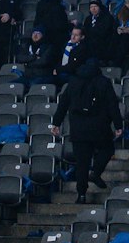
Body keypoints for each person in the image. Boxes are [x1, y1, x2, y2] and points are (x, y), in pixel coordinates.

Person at [51, 59, 122, 203]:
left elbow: (63, 103)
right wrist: (118, 124)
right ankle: (96, 173)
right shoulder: (104, 82)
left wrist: (56, 123)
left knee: (81, 164)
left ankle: (81, 195)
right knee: (107, 150)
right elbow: (112, 105)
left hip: (78, 129)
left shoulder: (73, 82)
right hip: (99, 127)